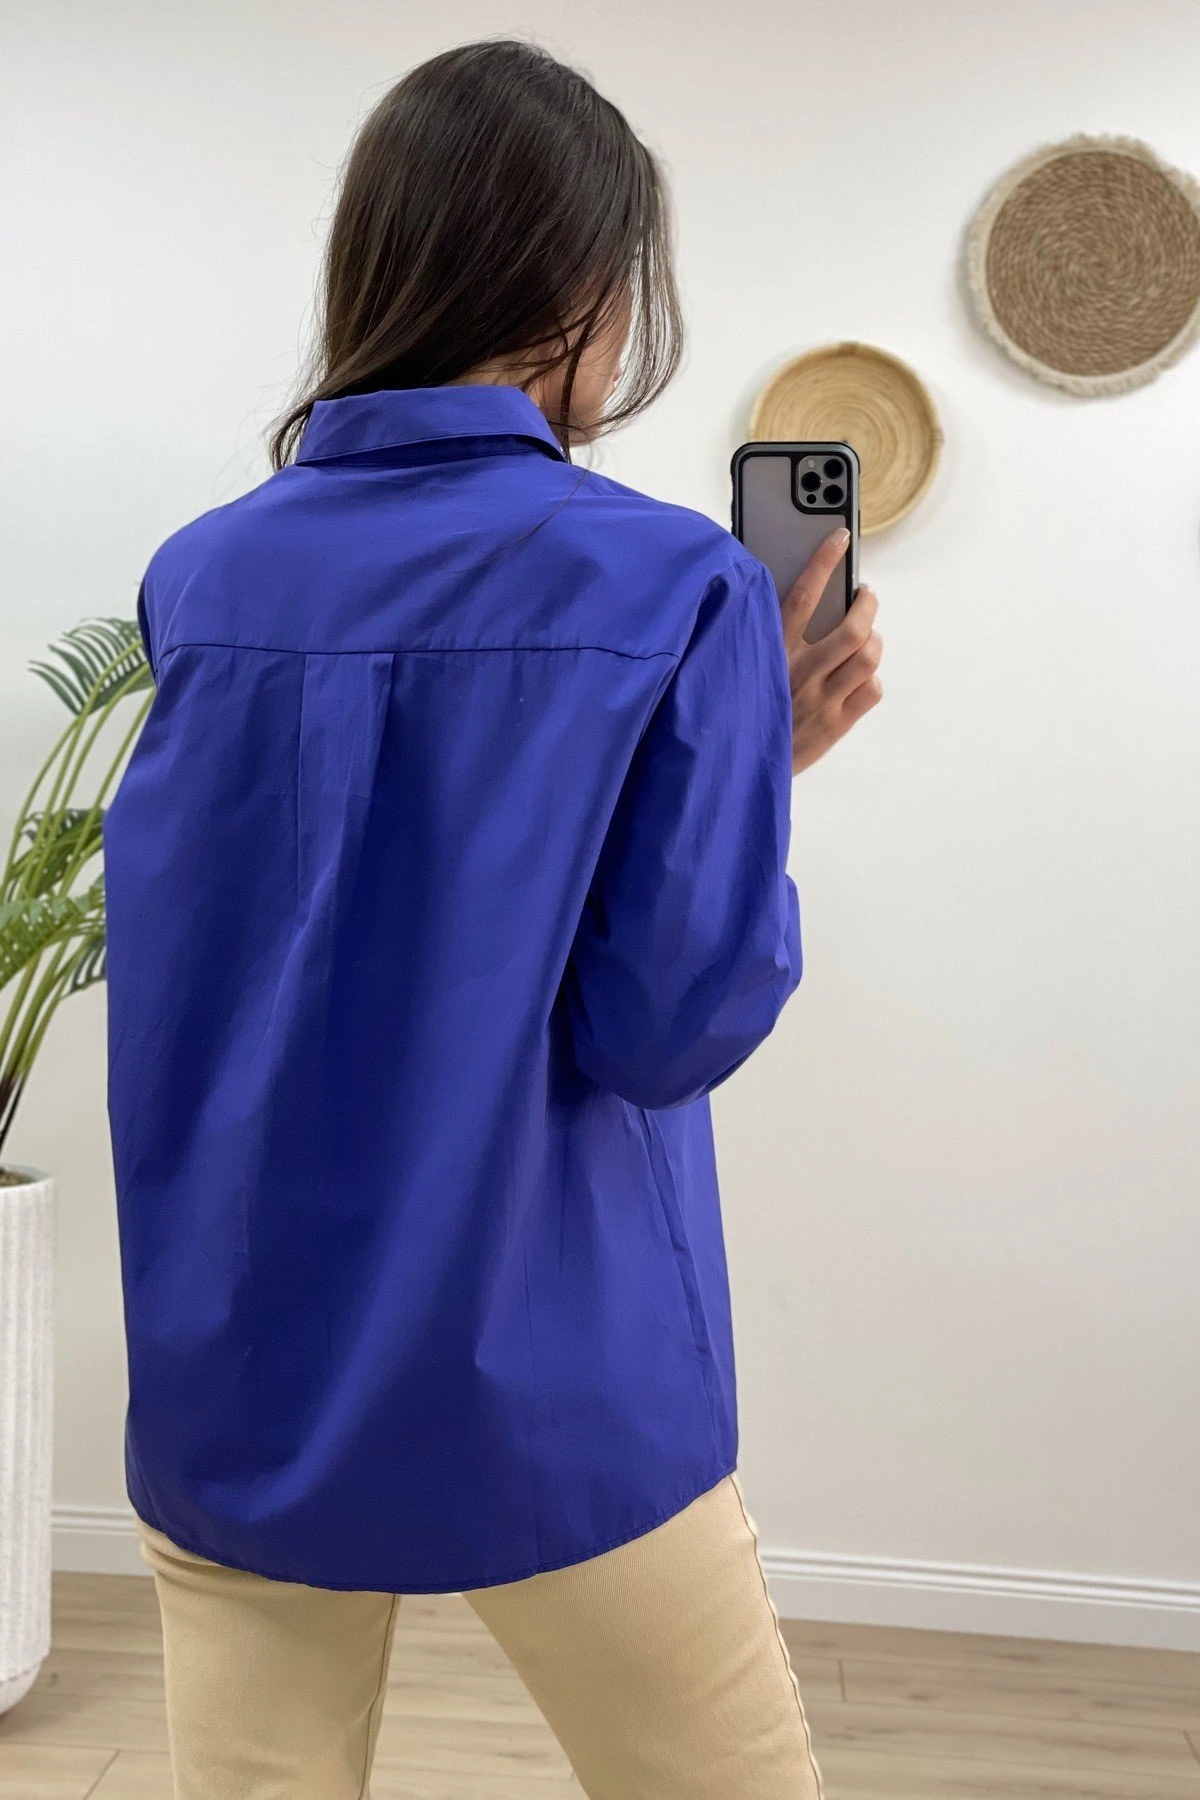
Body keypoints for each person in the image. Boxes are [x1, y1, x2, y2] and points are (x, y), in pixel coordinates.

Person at [104, 38, 882, 1800]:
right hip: (555, 1367)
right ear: (587, 288)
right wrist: (756, 774)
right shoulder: (676, 581)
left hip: (247, 1364)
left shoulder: (204, 574)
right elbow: (664, 1021)